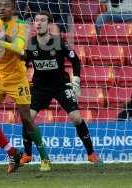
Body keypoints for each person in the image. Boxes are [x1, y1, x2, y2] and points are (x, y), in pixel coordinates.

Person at [22, 11, 102, 165]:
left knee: (76, 118)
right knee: (27, 118)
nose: (38, 23)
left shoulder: (58, 42)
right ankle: (27, 154)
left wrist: (76, 80)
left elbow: (76, 61)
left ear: (49, 24)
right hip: (39, 86)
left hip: (60, 84)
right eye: (36, 20)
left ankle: (91, 153)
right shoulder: (31, 44)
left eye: (42, 20)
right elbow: (24, 63)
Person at [0, 0, 51, 172]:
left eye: (6, 6)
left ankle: (45, 158)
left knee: (26, 118)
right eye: (0, 6)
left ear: (13, 9)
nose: (2, 9)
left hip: (17, 78)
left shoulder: (23, 25)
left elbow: (19, 48)